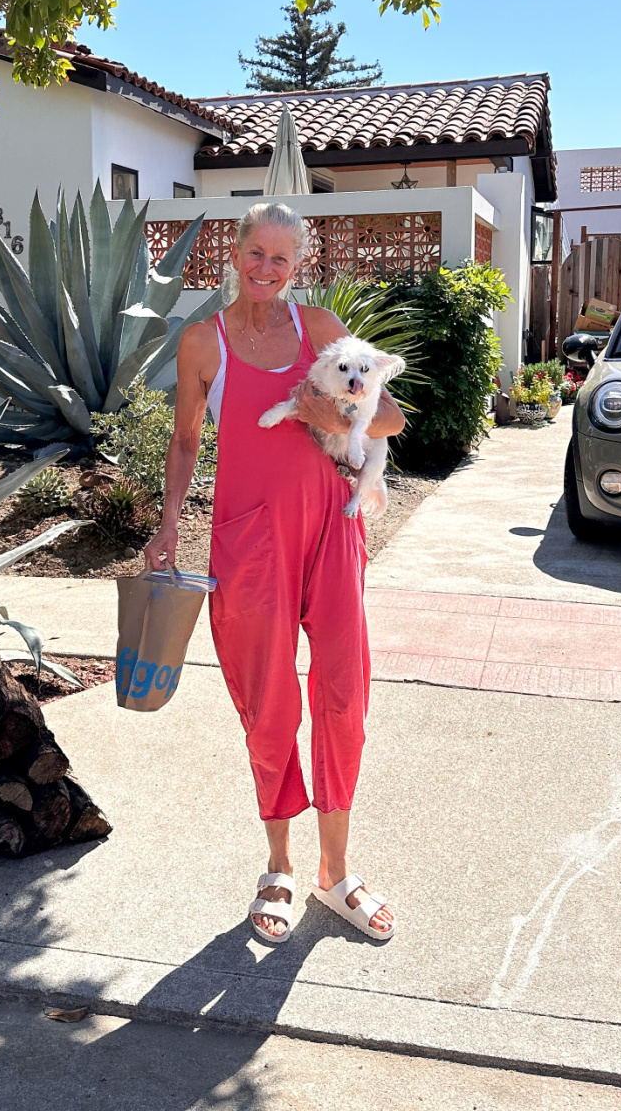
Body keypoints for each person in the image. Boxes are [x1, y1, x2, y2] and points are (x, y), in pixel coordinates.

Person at [142, 201, 405, 943]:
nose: (266, 268)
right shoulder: (203, 342)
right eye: (255, 253)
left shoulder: (320, 331)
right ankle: (281, 866)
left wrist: (334, 418)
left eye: (280, 259)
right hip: (248, 541)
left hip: (329, 531)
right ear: (235, 251)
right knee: (267, 704)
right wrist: (168, 525)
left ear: (298, 265)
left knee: (344, 691)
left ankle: (336, 870)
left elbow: (390, 420)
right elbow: (186, 442)